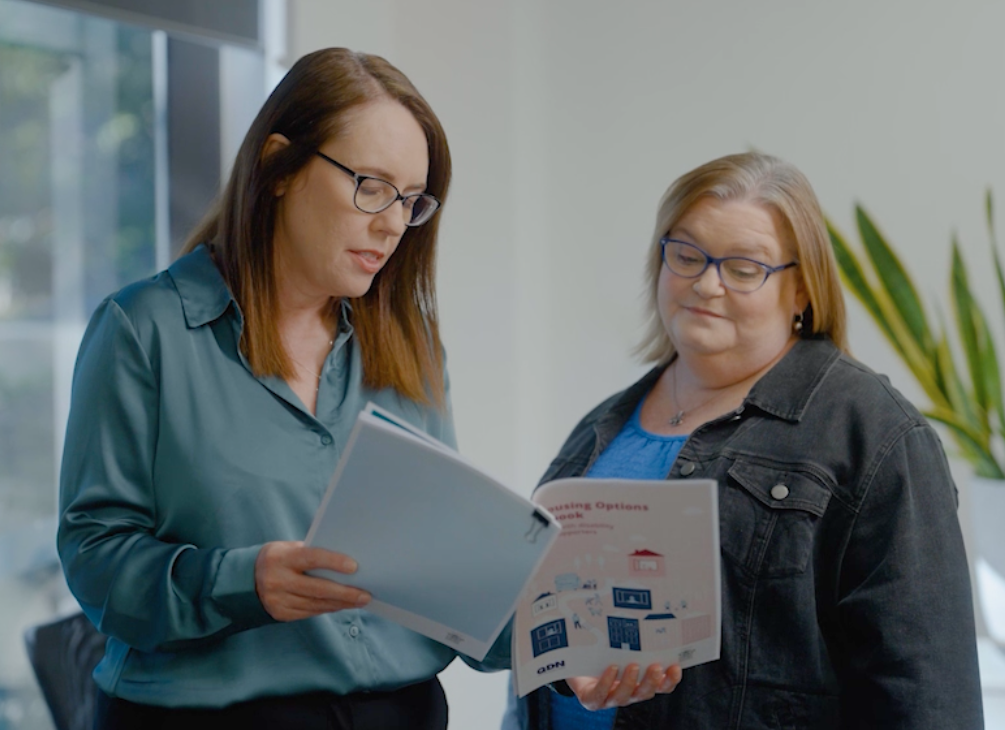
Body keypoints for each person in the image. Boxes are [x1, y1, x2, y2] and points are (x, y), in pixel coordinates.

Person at [57, 48, 675, 730]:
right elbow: (94, 559)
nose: (390, 224)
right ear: (278, 166)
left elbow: (440, 578)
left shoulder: (410, 348)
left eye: (410, 201)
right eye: (370, 186)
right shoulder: (144, 330)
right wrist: (241, 581)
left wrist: (565, 655)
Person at [504, 152, 984, 729]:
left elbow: (928, 696)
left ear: (802, 289)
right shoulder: (602, 425)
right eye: (686, 255)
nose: (706, 283)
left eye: (743, 267)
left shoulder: (874, 435)